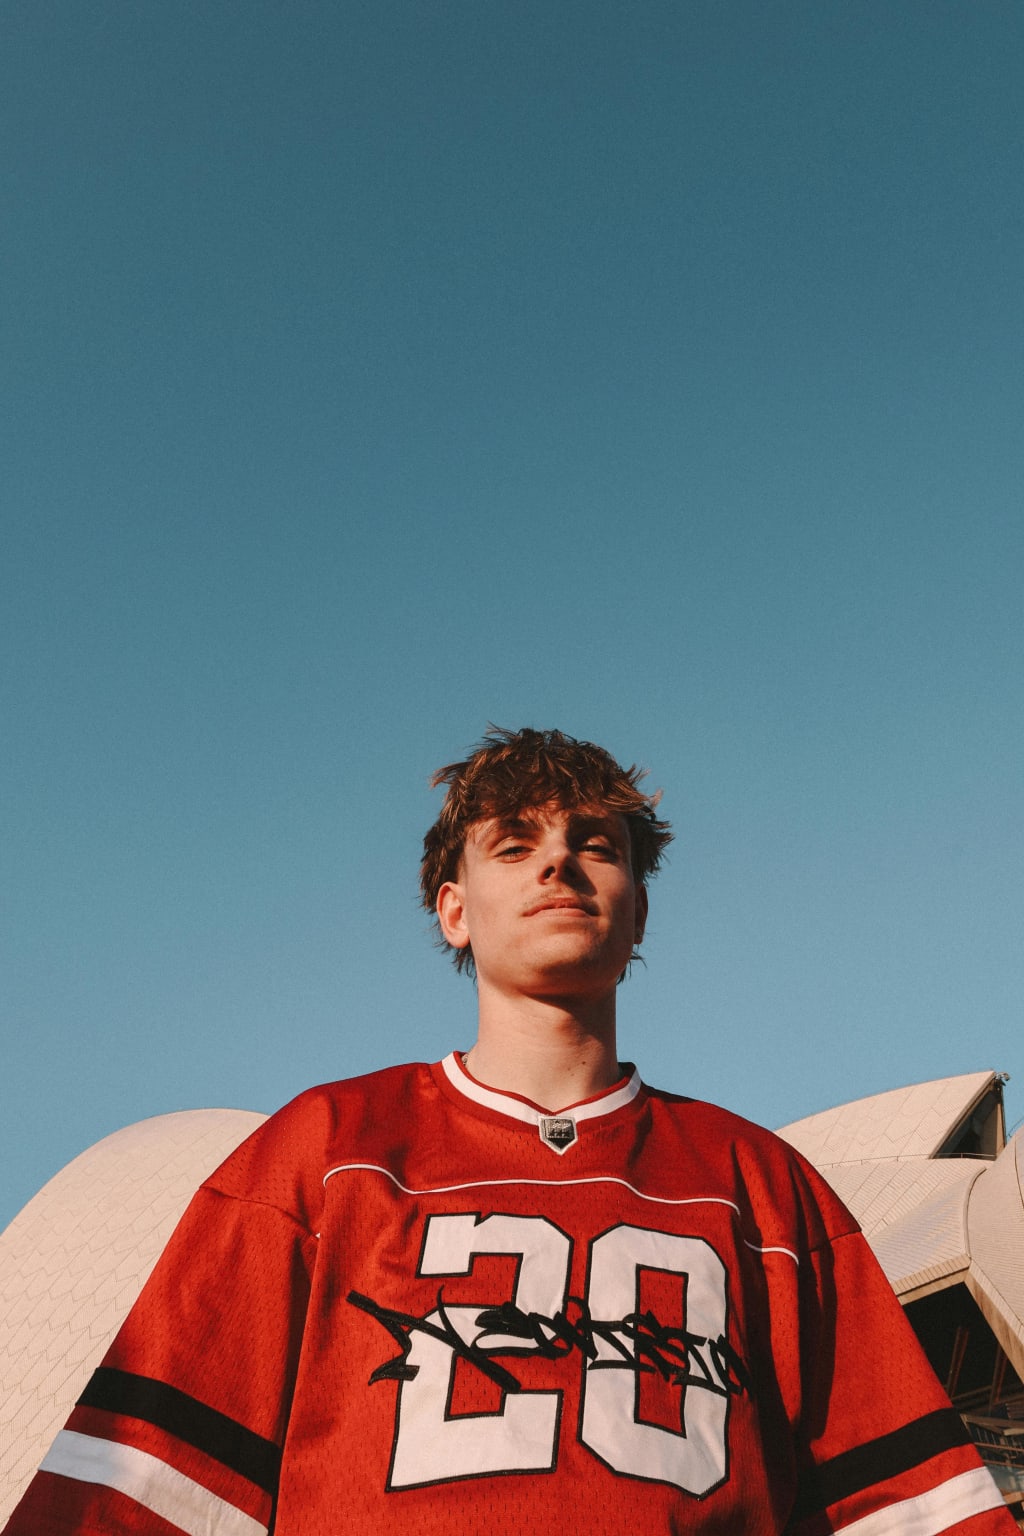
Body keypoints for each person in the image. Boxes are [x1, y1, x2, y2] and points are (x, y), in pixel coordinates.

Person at [4, 727, 1016, 1536]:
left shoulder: (762, 1185)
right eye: (516, 845)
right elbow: (135, 1494)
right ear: (455, 910)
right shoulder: (326, 1153)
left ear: (638, 912)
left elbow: (912, 1511)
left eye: (596, 845)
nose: (559, 865)